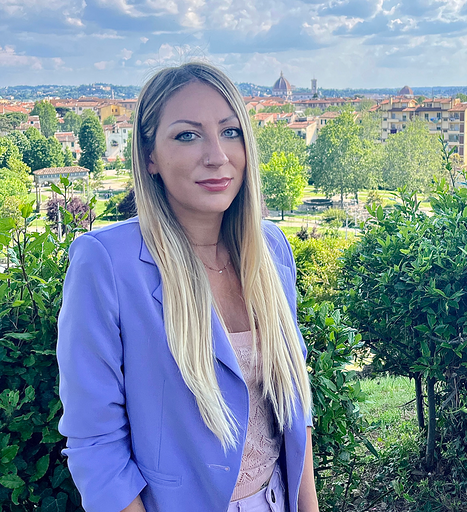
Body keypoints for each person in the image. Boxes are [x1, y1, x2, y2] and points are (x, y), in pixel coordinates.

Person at [57, 62, 319, 512]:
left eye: (230, 131)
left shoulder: (270, 249)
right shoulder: (107, 264)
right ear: (149, 157)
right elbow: (96, 446)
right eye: (187, 135)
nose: (217, 155)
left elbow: (295, 408)